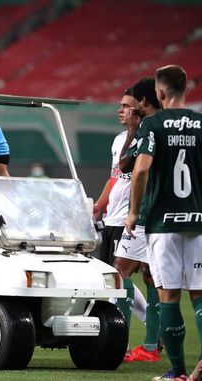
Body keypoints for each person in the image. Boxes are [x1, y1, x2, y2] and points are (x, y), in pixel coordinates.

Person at [126, 65, 202, 381]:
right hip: (198, 220)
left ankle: (178, 372)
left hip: (163, 221)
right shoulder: (200, 123)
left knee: (169, 295)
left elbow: (141, 170)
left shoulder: (153, 124)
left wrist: (133, 211)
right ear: (188, 88)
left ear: (159, 92)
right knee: (199, 296)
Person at [114, 77, 163, 363]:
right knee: (152, 278)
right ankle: (152, 346)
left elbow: (126, 165)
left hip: (143, 214)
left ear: (142, 104)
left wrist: (135, 128)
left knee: (118, 273)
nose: (126, 111)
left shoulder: (148, 127)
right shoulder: (180, 124)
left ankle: (117, 344)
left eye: (130, 107)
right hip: (167, 214)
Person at [93, 87, 141, 266]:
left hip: (126, 220)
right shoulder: (119, 139)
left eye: (126, 106)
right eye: (120, 106)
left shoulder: (145, 138)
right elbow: (114, 178)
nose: (120, 110)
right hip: (109, 219)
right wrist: (99, 206)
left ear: (139, 109)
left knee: (122, 272)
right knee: (109, 273)